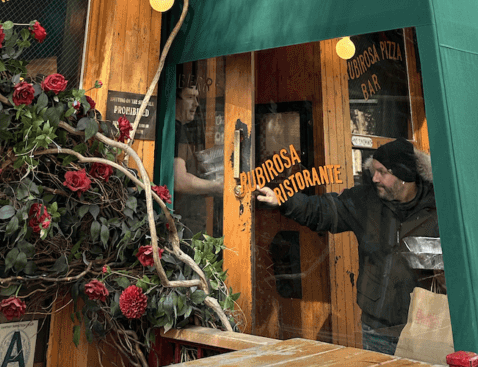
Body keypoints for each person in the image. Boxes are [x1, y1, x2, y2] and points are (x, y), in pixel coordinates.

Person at [256, 137, 441, 354]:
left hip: (422, 328)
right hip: (375, 329)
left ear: (404, 176)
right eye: (374, 170)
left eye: (382, 172)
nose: (375, 178)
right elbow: (324, 209)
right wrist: (284, 199)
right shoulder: (365, 200)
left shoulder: (439, 208)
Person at [174, 85, 222, 236]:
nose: (196, 103)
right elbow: (179, 181)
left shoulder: (180, 129)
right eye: (189, 97)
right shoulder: (175, 130)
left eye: (196, 97)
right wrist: (218, 187)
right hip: (182, 225)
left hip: (188, 223)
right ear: (175, 100)